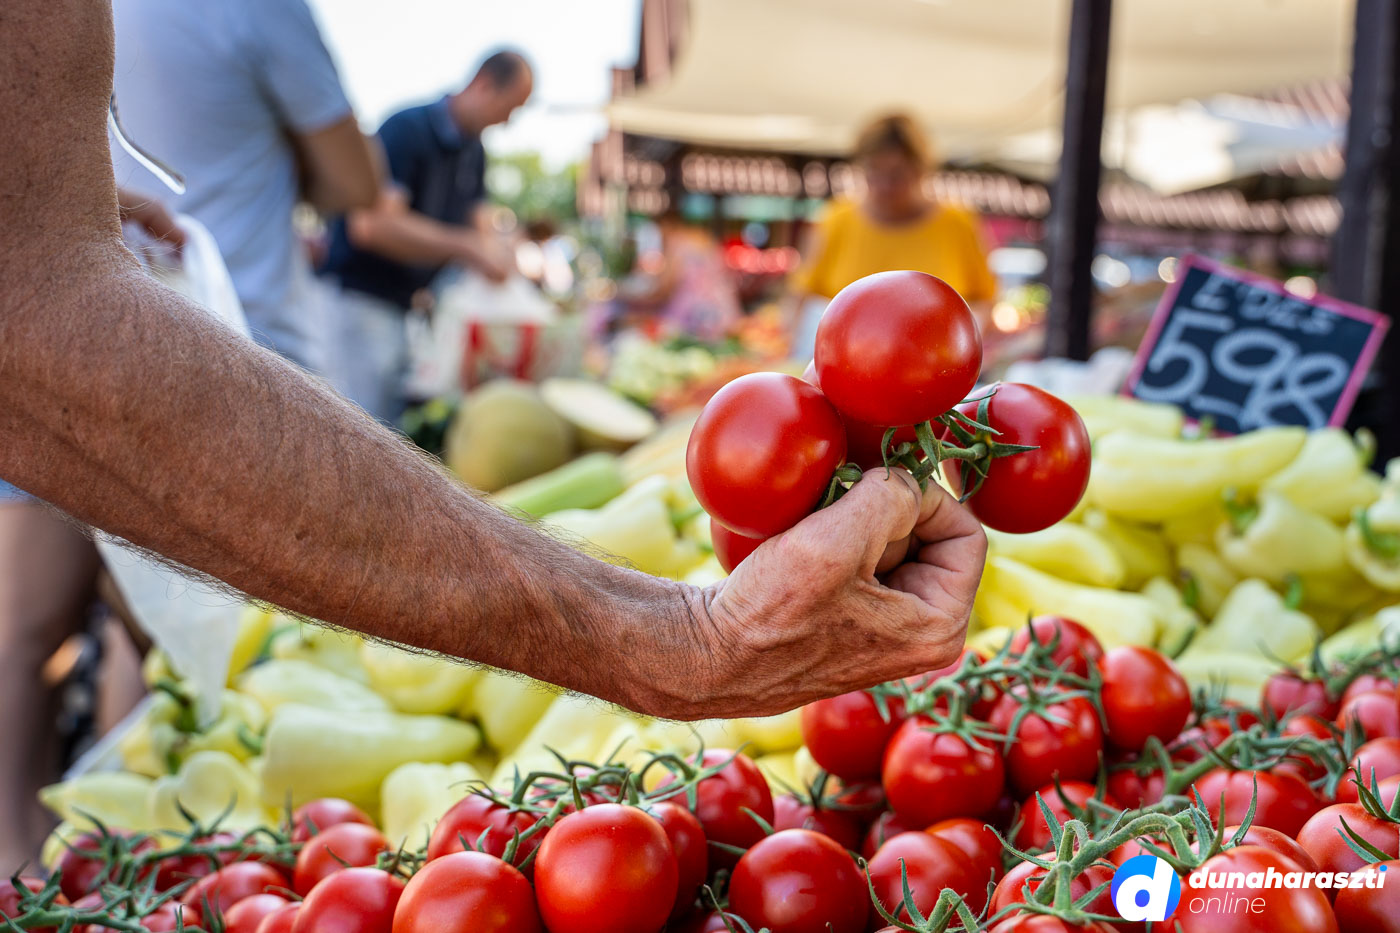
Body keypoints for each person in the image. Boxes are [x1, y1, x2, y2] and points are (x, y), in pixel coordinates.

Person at [3, 0, 984, 757]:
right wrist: (671, 640)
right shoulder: (298, 43)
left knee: (61, 617)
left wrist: (71, 194)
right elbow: (36, 319)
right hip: (275, 326)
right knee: (54, 615)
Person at [0, 189, 185, 869]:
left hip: (91, 337)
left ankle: (89, 846)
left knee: (127, 620)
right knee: (27, 635)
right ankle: (16, 864)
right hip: (48, 333)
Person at [110, 0, 381, 373]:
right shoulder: (260, 8)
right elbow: (356, 184)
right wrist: (292, 155)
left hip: (127, 327)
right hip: (257, 340)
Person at [319, 52, 530, 424]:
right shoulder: (407, 129)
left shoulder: (473, 152)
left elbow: (481, 224)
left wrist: (502, 250)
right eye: (508, 108)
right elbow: (371, 226)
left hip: (407, 311)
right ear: (483, 84)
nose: (507, 121)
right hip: (361, 302)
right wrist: (467, 246)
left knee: (387, 431)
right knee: (360, 432)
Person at [787, 113, 998, 355]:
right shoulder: (836, 219)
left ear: (921, 170)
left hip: (934, 368)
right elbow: (801, 298)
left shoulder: (958, 224)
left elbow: (984, 301)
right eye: (874, 172)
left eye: (897, 175)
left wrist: (961, 344)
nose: (884, 185)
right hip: (845, 365)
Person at [603, 208, 742, 342]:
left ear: (666, 223)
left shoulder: (677, 244)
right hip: (723, 308)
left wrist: (622, 296)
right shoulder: (701, 237)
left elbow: (664, 290)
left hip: (694, 317)